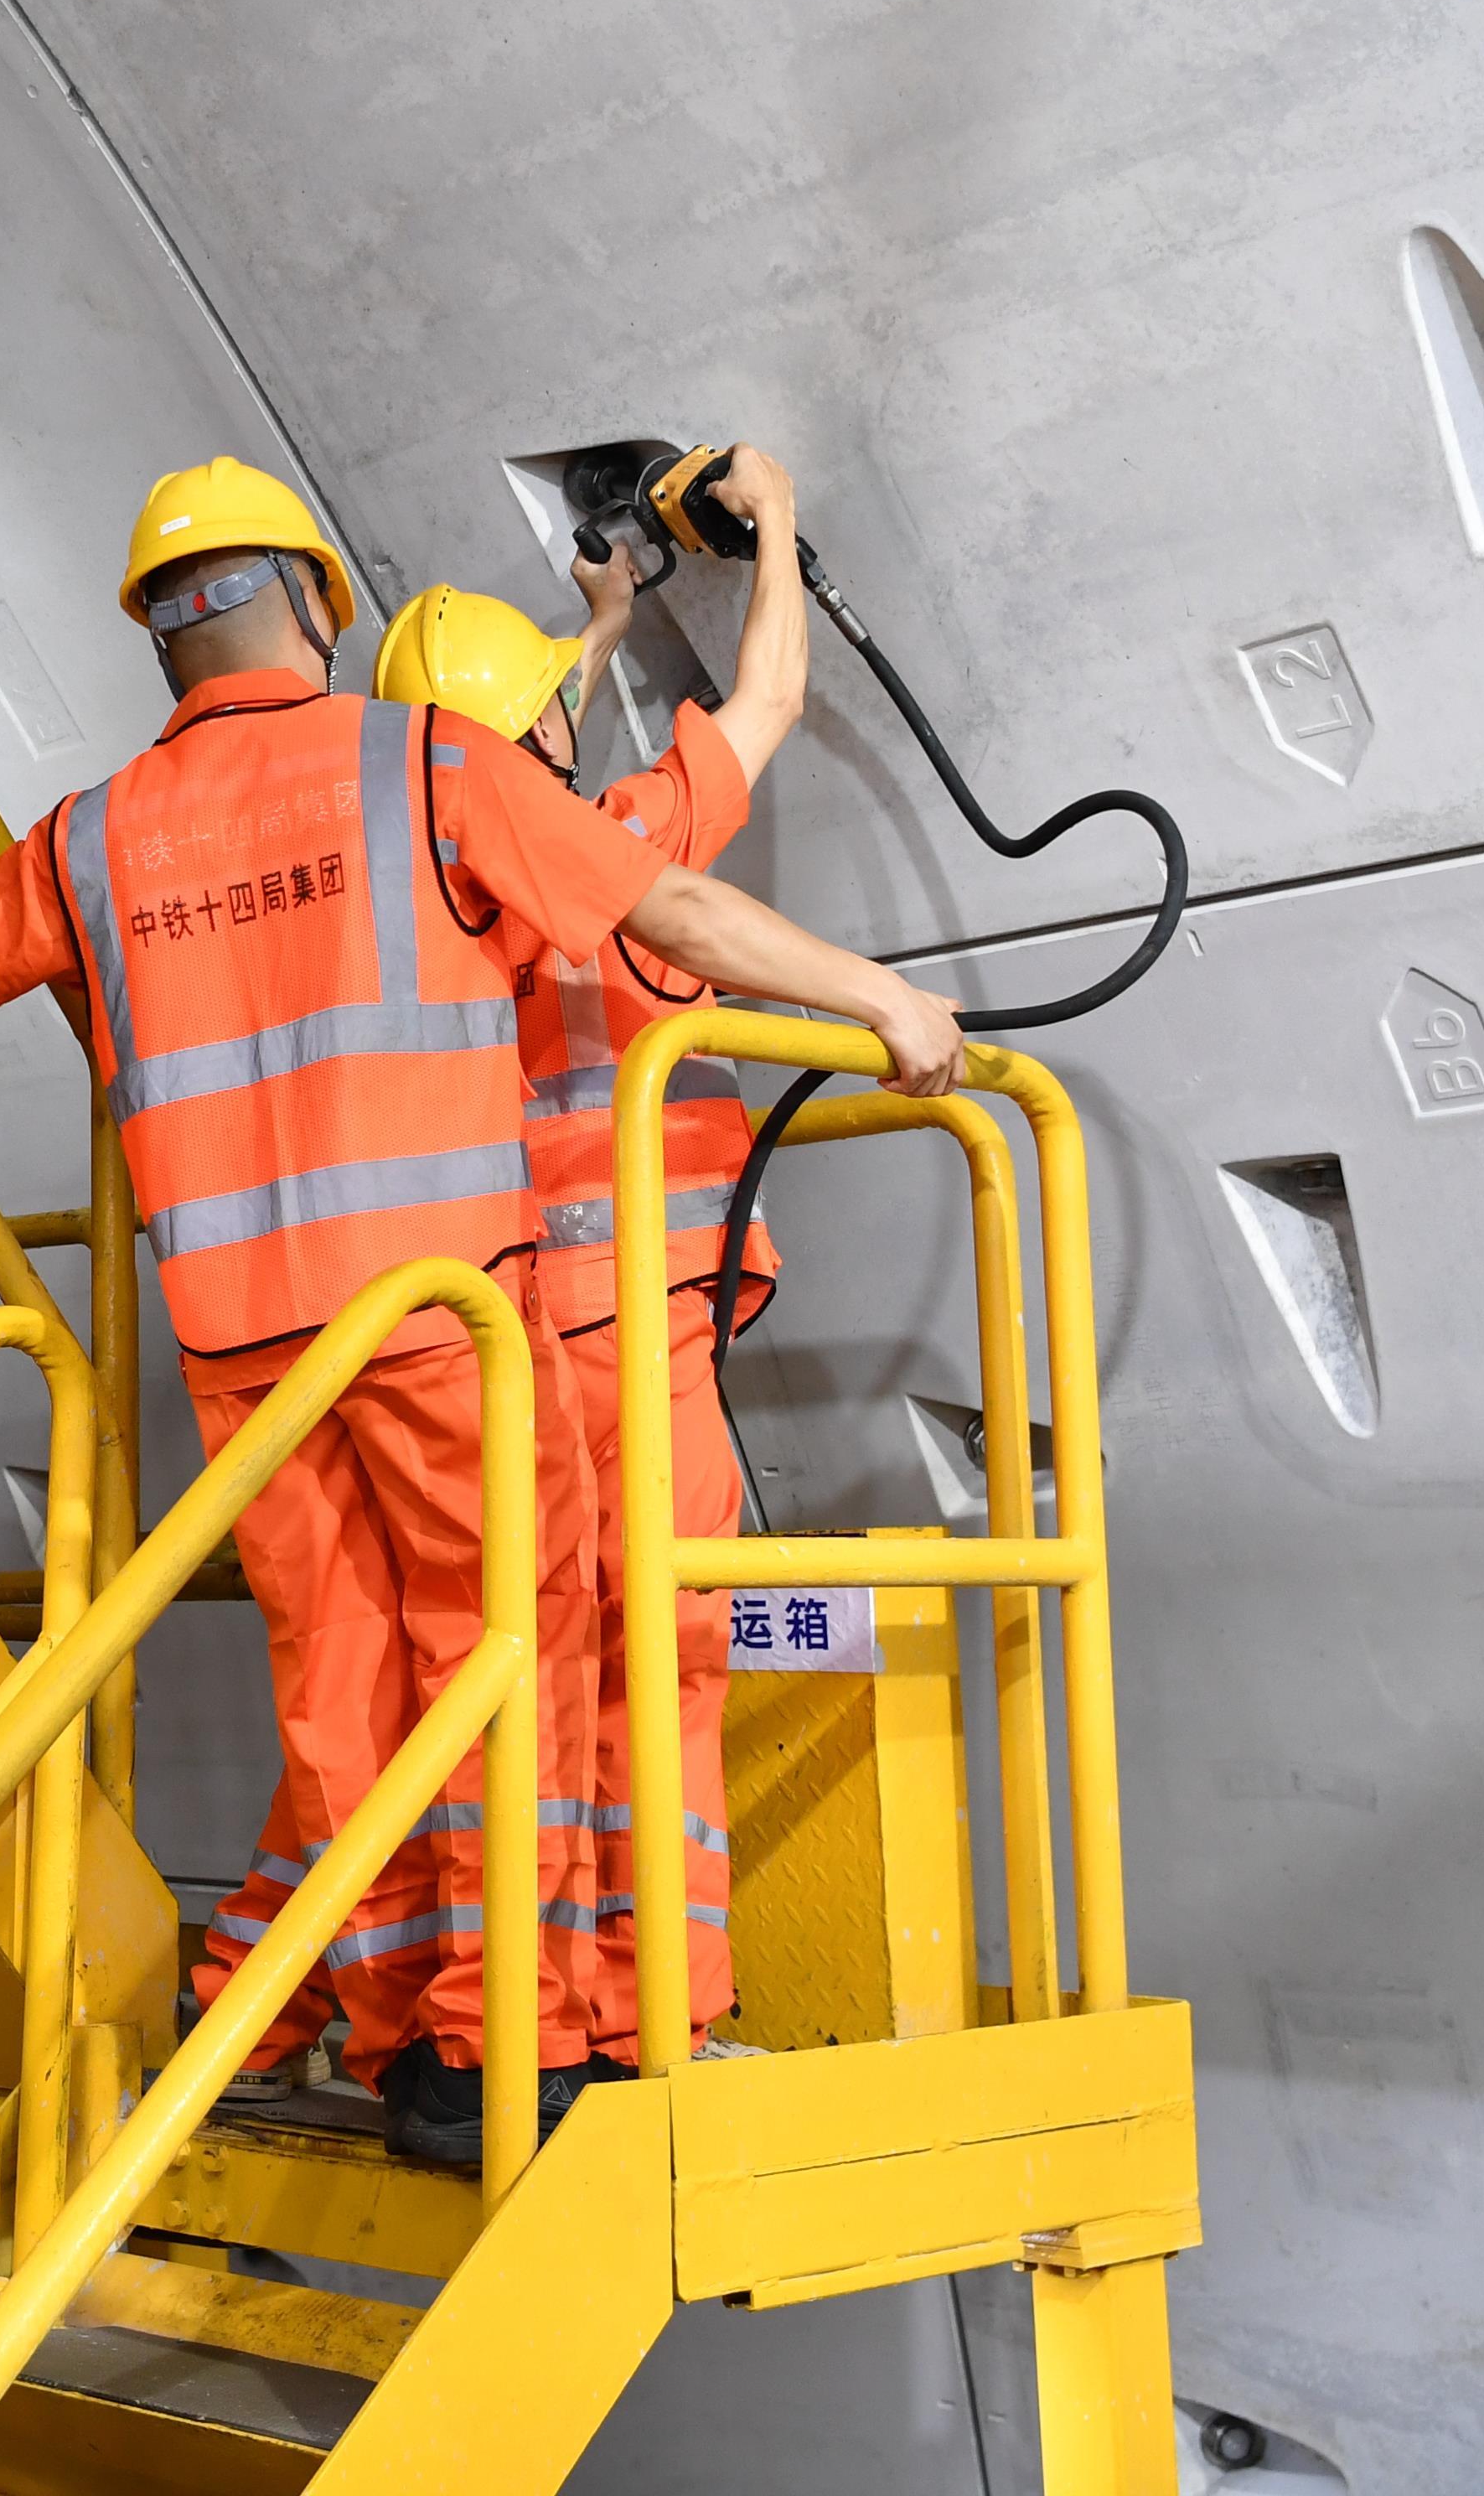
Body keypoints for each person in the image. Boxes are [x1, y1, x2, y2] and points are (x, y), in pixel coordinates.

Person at [0, 458, 965, 2166]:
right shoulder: (422, 767)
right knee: (509, 1654)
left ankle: (394, 2034)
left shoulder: (89, 838)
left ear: (159, 633)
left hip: (241, 1344)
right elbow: (668, 898)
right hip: (434, 1317)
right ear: (316, 602)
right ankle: (505, 2047)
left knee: (343, 1682)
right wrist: (882, 998)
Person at [373, 443, 825, 2064]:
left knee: (536, 1669)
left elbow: (505, 743)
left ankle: (527, 2019)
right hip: (647, 1335)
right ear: (546, 737)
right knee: (669, 1658)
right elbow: (768, 699)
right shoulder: (627, 839)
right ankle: (664, 2015)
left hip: (495, 1356)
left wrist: (608, 620)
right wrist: (774, 524)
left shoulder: (414, 919)